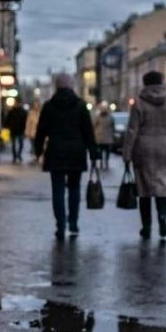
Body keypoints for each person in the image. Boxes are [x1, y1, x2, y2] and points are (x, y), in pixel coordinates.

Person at [34, 74, 98, 239]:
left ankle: (60, 225)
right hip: (76, 152)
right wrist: (93, 153)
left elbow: (41, 131)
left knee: (58, 191)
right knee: (75, 190)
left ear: (56, 87)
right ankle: (73, 223)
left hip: (55, 151)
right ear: (71, 86)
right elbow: (88, 131)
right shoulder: (80, 105)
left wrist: (38, 150)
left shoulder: (49, 106)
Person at [121, 71, 166, 239]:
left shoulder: (139, 103)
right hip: (165, 146)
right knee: (164, 184)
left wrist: (127, 154)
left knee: (144, 188)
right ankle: (162, 217)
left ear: (145, 83)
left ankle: (146, 226)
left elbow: (132, 130)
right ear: (161, 82)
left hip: (143, 146)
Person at [91, 102, 115, 169]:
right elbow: (113, 126)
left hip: (100, 137)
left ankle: (102, 162)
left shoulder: (98, 117)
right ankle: (106, 162)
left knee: (101, 150)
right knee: (107, 151)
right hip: (107, 138)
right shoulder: (110, 117)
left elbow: (94, 125)